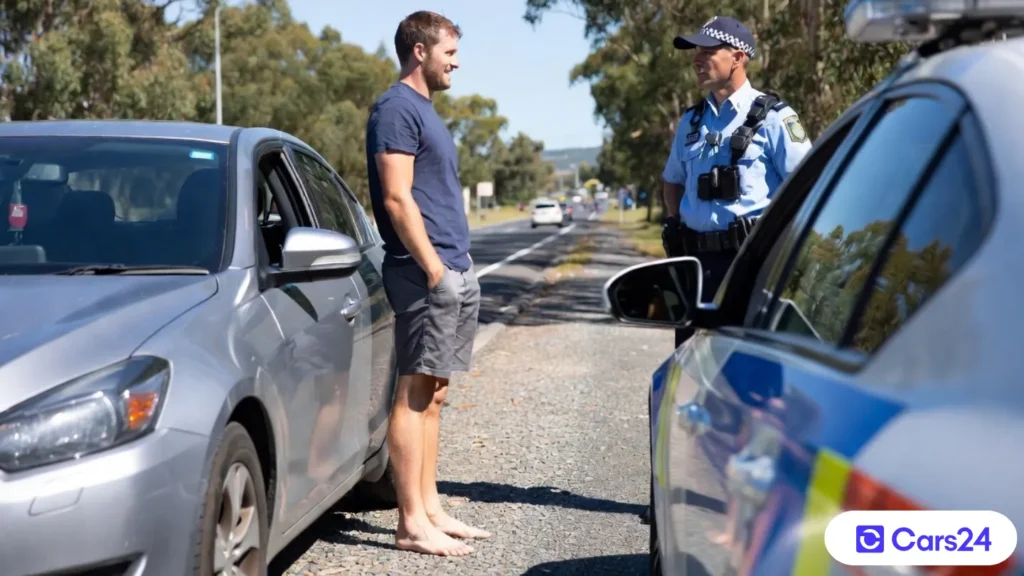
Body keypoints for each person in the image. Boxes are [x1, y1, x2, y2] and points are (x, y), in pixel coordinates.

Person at [365, 10, 490, 557]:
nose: (456, 62)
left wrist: (456, 265)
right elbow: (397, 197)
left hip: (451, 264)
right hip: (424, 270)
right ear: (420, 51)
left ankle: (431, 506)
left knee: (435, 393)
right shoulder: (395, 109)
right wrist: (434, 269)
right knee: (413, 393)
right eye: (449, 52)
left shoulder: (425, 110)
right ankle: (410, 522)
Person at [661, 15, 812, 347]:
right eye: (694, 51)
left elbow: (809, 187)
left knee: (745, 373)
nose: (696, 59)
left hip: (751, 267)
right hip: (696, 267)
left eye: (707, 51)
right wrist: (674, 223)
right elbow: (672, 181)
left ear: (738, 57)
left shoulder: (775, 118)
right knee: (689, 366)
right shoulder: (690, 121)